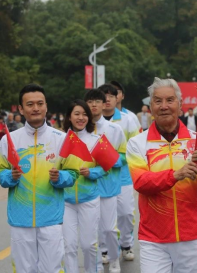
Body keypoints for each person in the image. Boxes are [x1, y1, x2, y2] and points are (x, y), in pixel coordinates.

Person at [126, 77, 197, 273]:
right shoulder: (138, 143)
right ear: (150, 106)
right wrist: (175, 175)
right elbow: (141, 183)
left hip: (192, 236)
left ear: (180, 105)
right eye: (158, 101)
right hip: (154, 238)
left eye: (170, 100)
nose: (164, 106)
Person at [0, 83, 81, 273]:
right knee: (24, 270)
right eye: (30, 104)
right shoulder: (10, 140)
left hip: (51, 217)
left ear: (46, 106)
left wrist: (60, 178)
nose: (36, 108)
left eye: (40, 103)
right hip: (20, 218)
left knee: (52, 268)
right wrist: (11, 176)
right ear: (21, 109)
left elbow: (73, 173)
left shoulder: (62, 138)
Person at [84, 88, 127, 272]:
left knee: (109, 229)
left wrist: (108, 160)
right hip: (86, 187)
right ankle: (98, 263)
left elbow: (124, 157)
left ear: (104, 104)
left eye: (97, 101)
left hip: (108, 186)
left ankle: (114, 257)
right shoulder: (79, 130)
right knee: (91, 230)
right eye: (90, 101)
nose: (94, 105)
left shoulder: (114, 129)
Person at [62, 100, 105, 273]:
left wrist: (92, 173)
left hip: (89, 199)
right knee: (69, 246)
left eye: (85, 114)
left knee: (89, 245)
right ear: (69, 117)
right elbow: (54, 167)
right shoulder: (60, 140)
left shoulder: (97, 140)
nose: (81, 118)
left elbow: (106, 167)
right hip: (65, 201)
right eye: (77, 114)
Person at [99, 83, 139, 264]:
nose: (107, 99)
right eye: (103, 96)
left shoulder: (128, 120)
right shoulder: (92, 121)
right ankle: (104, 248)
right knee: (101, 216)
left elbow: (135, 147)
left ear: (118, 98)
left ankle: (126, 244)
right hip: (98, 177)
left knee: (125, 214)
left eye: (111, 96)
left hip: (122, 176)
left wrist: (115, 161)